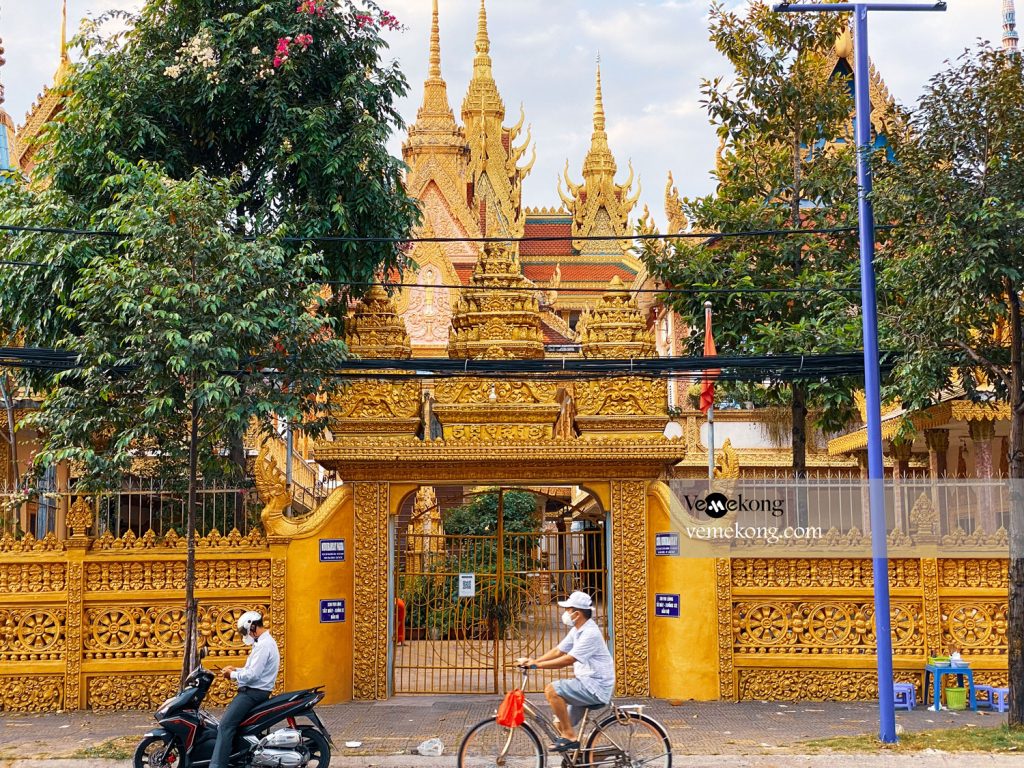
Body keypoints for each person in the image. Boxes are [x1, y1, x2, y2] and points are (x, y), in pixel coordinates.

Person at [517, 591, 614, 753]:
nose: (565, 613)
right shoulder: (578, 629)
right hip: (586, 684)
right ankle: (582, 758)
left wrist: (536, 666)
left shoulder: (590, 633)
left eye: (568, 610)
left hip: (595, 687)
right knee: (559, 724)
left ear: (577, 613)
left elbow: (568, 660)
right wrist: (533, 661)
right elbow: (558, 651)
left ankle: (570, 735)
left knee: (552, 690)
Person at [210, 611, 280, 768]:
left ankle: (217, 765)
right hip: (256, 691)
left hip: (252, 694)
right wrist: (236, 670)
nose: (246, 634)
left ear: (253, 626)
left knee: (225, 725)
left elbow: (253, 675)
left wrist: (233, 675)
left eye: (245, 631)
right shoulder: (264, 642)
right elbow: (252, 670)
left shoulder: (263, 645)